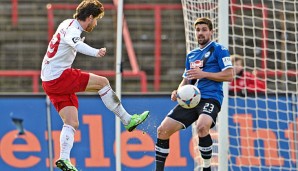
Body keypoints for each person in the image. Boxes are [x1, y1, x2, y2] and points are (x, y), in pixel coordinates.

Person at [40, 1, 149, 171]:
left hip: (48, 80)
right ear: (89, 17)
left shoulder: (65, 23)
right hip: (59, 76)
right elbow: (76, 43)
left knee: (71, 122)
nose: (96, 23)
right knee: (103, 83)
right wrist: (95, 52)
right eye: (96, 19)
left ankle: (64, 159)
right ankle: (127, 120)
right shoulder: (73, 29)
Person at [155, 17, 233, 171]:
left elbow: (229, 75)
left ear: (211, 32)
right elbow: (186, 80)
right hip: (191, 99)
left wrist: (203, 74)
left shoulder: (219, 49)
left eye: (204, 30)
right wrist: (178, 91)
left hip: (211, 97)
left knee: (202, 126)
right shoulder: (192, 55)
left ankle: (206, 167)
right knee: (162, 130)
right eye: (198, 30)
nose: (200, 33)